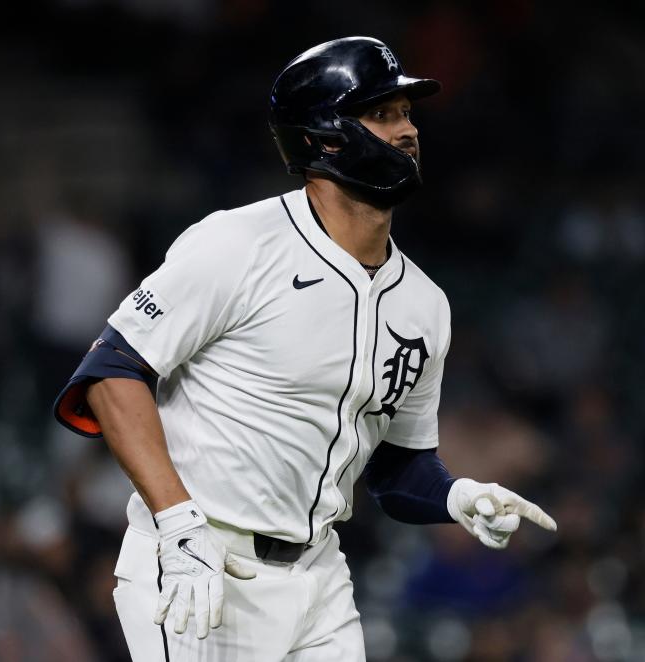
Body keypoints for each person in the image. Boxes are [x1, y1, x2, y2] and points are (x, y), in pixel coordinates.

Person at [53, 36, 556, 661]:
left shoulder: (425, 306)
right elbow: (110, 374)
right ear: (324, 136)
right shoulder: (237, 245)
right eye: (383, 113)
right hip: (204, 563)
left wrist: (455, 496)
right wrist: (177, 524)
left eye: (407, 114)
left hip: (320, 579)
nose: (407, 131)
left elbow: (398, 469)